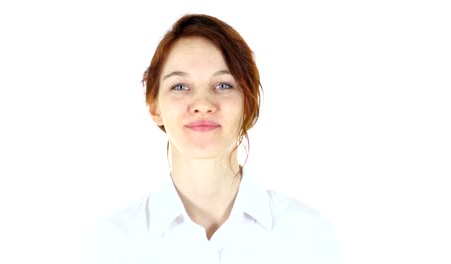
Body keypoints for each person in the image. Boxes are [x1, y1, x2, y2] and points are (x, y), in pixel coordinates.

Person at [86, 13, 342, 264]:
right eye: (179, 86)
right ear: (154, 107)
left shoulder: (308, 235)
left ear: (248, 104)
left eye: (223, 85)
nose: (202, 104)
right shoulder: (114, 242)